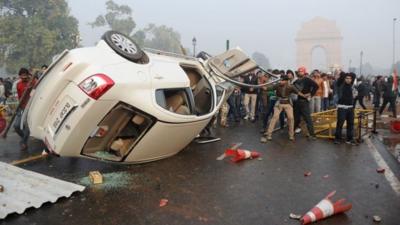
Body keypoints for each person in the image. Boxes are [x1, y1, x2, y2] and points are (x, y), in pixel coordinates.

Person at [261, 75, 305, 142]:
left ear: (286, 81)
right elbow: (267, 88)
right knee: (274, 118)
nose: (280, 81)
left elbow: (298, 92)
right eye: (280, 80)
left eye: (282, 80)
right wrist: (261, 85)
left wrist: (305, 96)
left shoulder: (291, 86)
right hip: (279, 103)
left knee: (291, 118)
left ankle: (291, 135)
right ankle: (269, 134)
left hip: (287, 104)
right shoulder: (277, 85)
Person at [293, 66, 318, 139]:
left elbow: (316, 86)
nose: (300, 72)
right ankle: (292, 133)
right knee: (296, 118)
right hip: (297, 101)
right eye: (299, 71)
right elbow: (293, 89)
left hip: (304, 102)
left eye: (301, 71)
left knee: (308, 119)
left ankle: (312, 134)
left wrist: (310, 94)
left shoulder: (308, 80)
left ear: (304, 72)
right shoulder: (296, 81)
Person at [14, 68, 36, 150]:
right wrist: (18, 107)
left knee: (27, 126)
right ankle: (24, 138)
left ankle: (23, 142)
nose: (23, 76)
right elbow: (19, 97)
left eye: (25, 74)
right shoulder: (18, 84)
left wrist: (31, 86)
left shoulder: (33, 82)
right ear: (19, 76)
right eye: (21, 75)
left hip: (31, 107)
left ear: (27, 75)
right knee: (16, 126)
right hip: (21, 107)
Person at [334, 72, 357, 145]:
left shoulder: (351, 85)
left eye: (350, 78)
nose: (348, 80)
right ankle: (337, 139)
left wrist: (349, 75)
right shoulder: (340, 84)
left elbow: (354, 75)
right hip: (342, 107)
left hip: (350, 108)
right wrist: (344, 75)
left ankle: (349, 139)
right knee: (340, 124)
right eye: (347, 78)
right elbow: (342, 76)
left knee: (350, 124)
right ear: (344, 79)